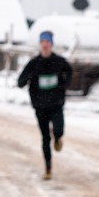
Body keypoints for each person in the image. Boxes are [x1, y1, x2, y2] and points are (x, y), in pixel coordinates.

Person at [17, 30, 73, 180]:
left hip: (56, 103)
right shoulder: (34, 63)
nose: (45, 45)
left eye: (48, 42)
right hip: (40, 106)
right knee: (45, 138)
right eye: (43, 42)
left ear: (51, 44)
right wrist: (26, 79)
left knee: (58, 129)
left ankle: (58, 137)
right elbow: (20, 81)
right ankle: (48, 168)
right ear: (40, 44)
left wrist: (64, 85)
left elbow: (69, 71)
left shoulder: (59, 61)